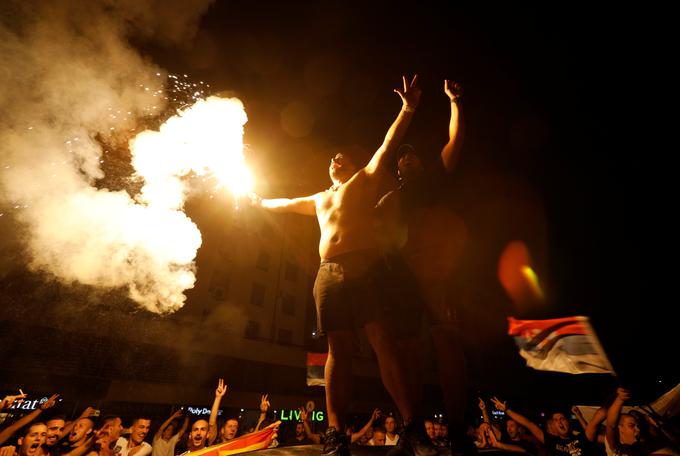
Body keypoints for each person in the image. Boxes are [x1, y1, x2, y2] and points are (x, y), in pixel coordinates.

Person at [251, 75, 421, 455]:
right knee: (337, 349)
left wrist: (407, 108)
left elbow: (388, 144)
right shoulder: (317, 198)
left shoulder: (363, 181)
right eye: (331, 158)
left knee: (381, 340)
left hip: (365, 271)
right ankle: (336, 432)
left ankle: (412, 425)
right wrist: (258, 203)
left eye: (340, 156)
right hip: (328, 274)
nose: (333, 160)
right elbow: (284, 203)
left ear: (352, 165)